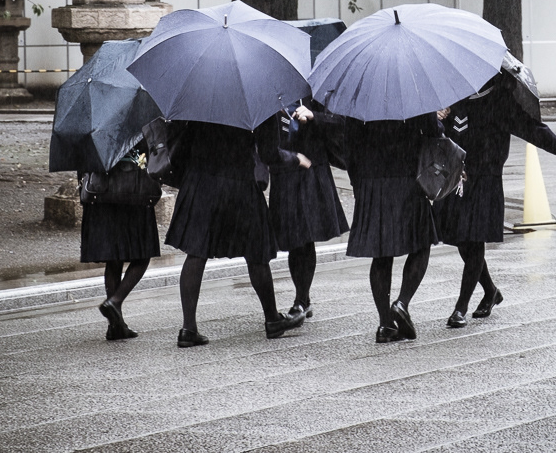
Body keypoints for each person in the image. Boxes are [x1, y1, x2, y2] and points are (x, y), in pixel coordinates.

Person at [434, 71, 556, 329]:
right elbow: (437, 135)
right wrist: (436, 117)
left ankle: (460, 307)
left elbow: (534, 129)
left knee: (474, 239)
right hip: (457, 179)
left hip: (486, 180)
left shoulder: (500, 100)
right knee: (462, 240)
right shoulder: (453, 98)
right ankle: (490, 291)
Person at [295, 105, 441, 343]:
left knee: (381, 253)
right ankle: (402, 303)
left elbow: (349, 143)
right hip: (407, 178)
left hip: (371, 181)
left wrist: (358, 182)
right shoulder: (414, 96)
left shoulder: (361, 98)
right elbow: (434, 133)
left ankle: (385, 324)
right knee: (421, 243)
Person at [164, 116, 312, 347]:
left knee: (196, 251)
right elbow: (269, 154)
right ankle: (272, 319)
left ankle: (188, 328)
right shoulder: (257, 105)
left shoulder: (202, 101)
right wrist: (295, 158)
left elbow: (182, 137)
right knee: (256, 253)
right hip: (239, 183)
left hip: (201, 180)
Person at [269, 99, 349, 319]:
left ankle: (301, 299)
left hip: (311, 168)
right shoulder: (270, 95)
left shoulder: (315, 92)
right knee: (294, 239)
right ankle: (303, 298)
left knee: (305, 236)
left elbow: (341, 122)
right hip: (284, 170)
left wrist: (314, 116)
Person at [79, 153, 160, 341]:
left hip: (102, 190)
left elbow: (83, 160)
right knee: (142, 255)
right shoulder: (136, 133)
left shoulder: (96, 136)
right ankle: (115, 302)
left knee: (114, 257)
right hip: (133, 192)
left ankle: (116, 325)